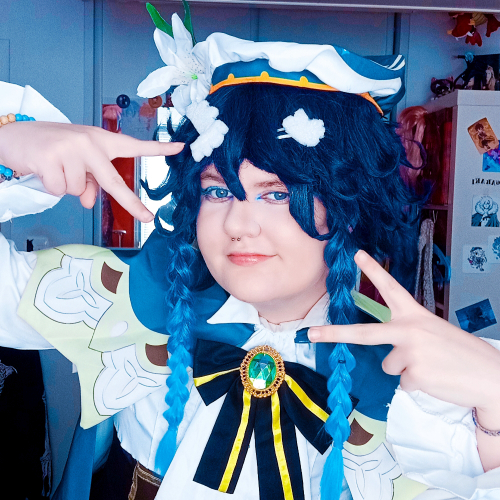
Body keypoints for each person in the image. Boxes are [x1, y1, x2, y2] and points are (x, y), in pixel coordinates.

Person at [0, 6, 499, 500]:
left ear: (346, 206)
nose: (238, 224)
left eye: (277, 194)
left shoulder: (403, 366)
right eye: (218, 191)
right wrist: (8, 143)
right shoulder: (139, 294)